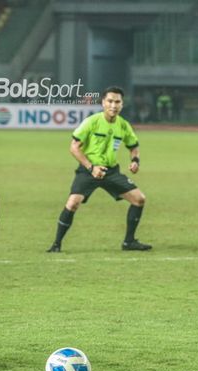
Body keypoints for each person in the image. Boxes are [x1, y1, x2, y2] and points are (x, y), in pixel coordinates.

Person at [47, 86, 151, 253]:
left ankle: (129, 242)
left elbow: (133, 146)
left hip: (111, 172)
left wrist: (135, 160)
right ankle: (56, 244)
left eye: (117, 102)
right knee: (73, 203)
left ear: (122, 104)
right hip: (88, 170)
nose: (113, 105)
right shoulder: (92, 121)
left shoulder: (123, 125)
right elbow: (74, 147)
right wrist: (91, 167)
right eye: (110, 101)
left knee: (139, 199)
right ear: (103, 102)